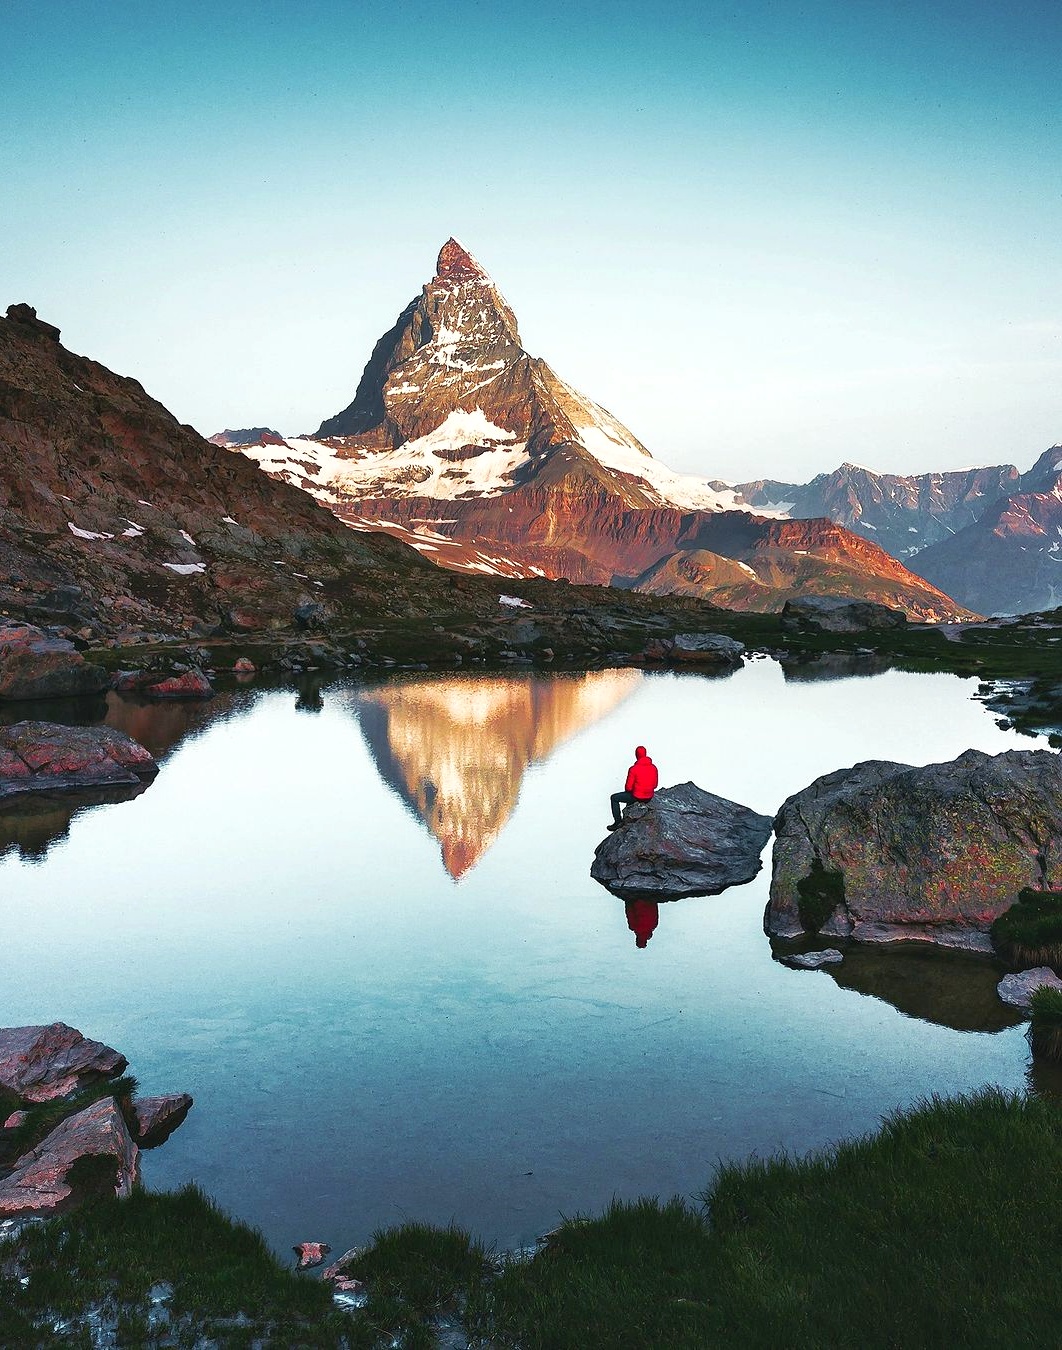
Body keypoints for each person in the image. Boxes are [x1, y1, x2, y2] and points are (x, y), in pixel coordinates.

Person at [609, 745, 658, 830]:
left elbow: (628, 788)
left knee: (614, 798)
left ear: (636, 755)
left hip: (637, 797)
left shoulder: (633, 769)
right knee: (631, 796)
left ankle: (618, 822)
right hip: (649, 797)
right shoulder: (654, 768)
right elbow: (655, 785)